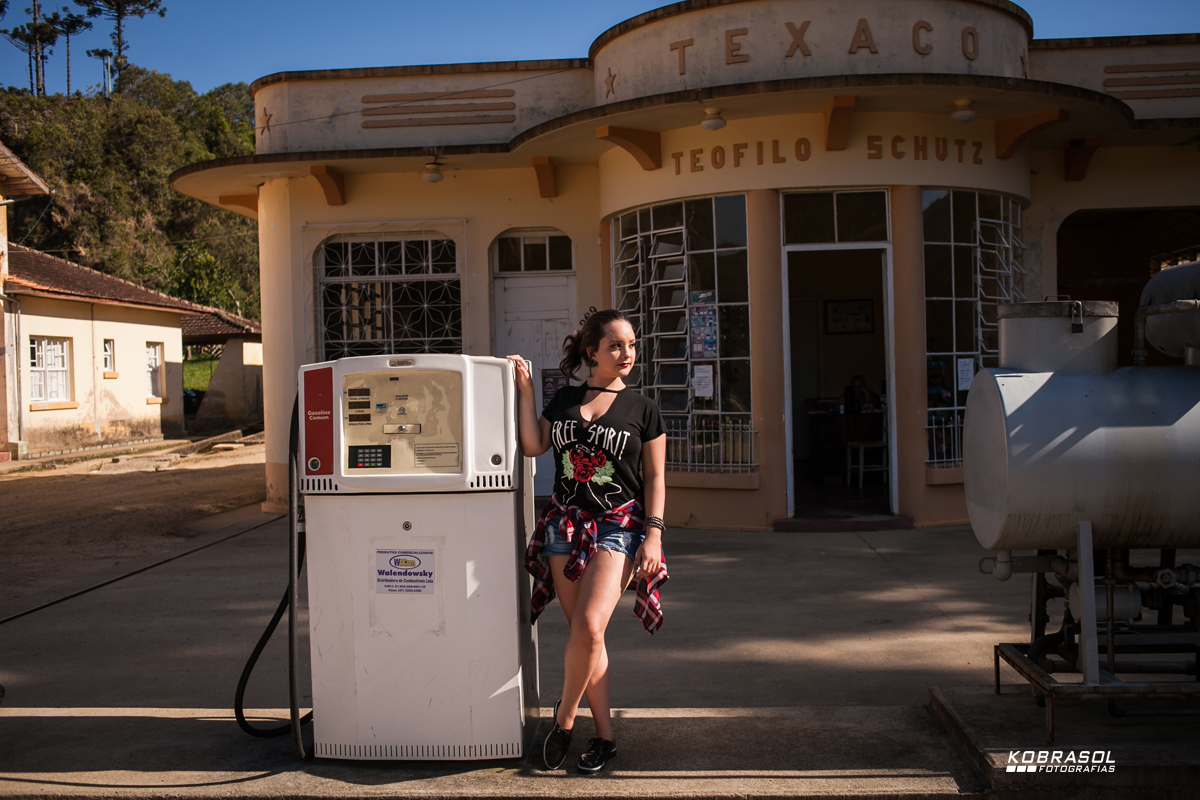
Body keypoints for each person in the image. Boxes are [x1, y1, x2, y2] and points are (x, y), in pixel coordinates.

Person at [507, 308, 668, 775]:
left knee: (592, 627)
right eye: (616, 345)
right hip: (564, 525)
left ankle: (563, 720)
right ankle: (605, 738)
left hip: (619, 526)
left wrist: (653, 534)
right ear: (591, 351)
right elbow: (534, 445)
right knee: (585, 636)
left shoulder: (643, 409)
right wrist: (528, 392)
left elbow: (656, 476)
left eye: (632, 345)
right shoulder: (564, 400)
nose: (626, 354)